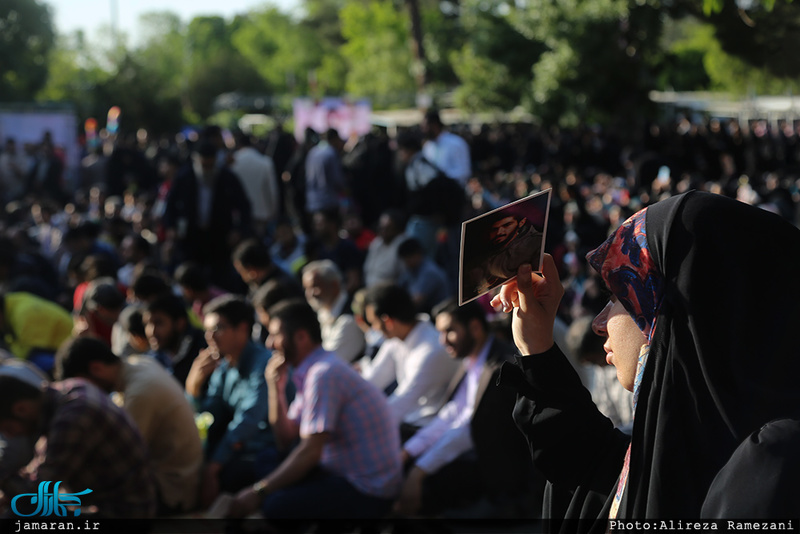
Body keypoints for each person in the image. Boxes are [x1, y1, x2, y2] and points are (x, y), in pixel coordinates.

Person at [492, 191, 800, 529]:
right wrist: (536, 344)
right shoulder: (680, 447)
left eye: (617, 296)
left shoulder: (773, 471)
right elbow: (587, 461)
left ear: (671, 313)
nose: (598, 322)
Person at [228, 299, 402, 521]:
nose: (270, 344)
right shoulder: (311, 370)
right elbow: (285, 440)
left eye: (275, 335)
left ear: (301, 337)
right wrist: (276, 389)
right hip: (337, 472)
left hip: (367, 490)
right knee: (267, 459)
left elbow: (310, 452)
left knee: (276, 506)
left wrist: (258, 491)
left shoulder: (324, 373)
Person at [395, 299, 532, 516]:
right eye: (440, 332)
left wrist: (419, 471)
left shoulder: (502, 366)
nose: (442, 341)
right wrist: (406, 453)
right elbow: (450, 416)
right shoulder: (473, 361)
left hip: (498, 482)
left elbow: (471, 429)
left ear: (475, 327)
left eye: (449, 331)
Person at [55, 336, 203, 514]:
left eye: (85, 388)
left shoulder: (140, 393)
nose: (86, 397)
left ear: (96, 368)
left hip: (171, 489)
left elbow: (118, 459)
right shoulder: (138, 363)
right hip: (176, 476)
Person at [0, 375, 157, 518]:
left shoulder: (72, 418)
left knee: (18, 516)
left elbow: (37, 495)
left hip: (124, 514)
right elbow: (42, 466)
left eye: (8, 428)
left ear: (21, 409)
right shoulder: (69, 390)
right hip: (110, 501)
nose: (10, 436)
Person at [184, 295, 276, 507]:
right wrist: (194, 389)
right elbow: (209, 417)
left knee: (226, 477)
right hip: (236, 448)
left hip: (265, 450)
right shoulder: (224, 366)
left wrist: (214, 467)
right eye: (207, 330)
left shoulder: (263, 364)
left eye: (218, 329)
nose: (210, 336)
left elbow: (248, 421)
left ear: (242, 329)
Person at [361, 284, 458, 431]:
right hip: (407, 422)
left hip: (427, 429)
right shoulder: (395, 339)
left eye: (374, 322)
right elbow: (371, 380)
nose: (373, 328)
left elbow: (401, 403)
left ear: (388, 322)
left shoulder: (430, 350)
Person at [466, 210, 543, 298]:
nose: (500, 232)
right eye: (494, 229)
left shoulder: (533, 241)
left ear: (521, 223)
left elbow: (505, 268)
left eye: (507, 225)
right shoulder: (495, 248)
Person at [301, 260, 365, 363]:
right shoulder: (323, 313)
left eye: (315, 287)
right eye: (306, 288)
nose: (310, 294)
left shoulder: (349, 320)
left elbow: (326, 363)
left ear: (334, 285)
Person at [143, 293, 207, 388]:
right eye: (147, 324)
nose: (151, 332)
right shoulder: (154, 358)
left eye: (159, 323)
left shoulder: (201, 351)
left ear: (180, 323)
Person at [231, 132, 280, 239]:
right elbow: (272, 191)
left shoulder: (232, 162)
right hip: (261, 213)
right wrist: (273, 212)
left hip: (238, 215)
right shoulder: (265, 162)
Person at [397, 237, 450, 315]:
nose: (406, 263)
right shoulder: (411, 269)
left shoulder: (429, 272)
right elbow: (399, 288)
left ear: (417, 254)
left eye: (408, 259)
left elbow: (416, 302)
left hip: (438, 314)